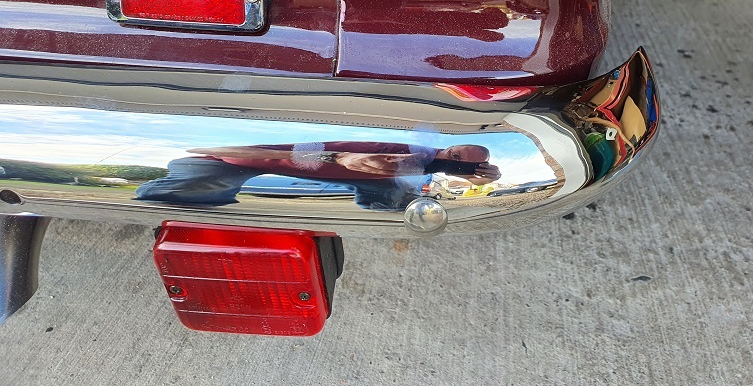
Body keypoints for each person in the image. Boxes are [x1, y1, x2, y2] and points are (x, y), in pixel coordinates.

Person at [135, 141, 501, 210]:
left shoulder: (426, 168)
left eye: (465, 164)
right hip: (229, 161)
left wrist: (481, 180)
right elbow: (356, 155)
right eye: (455, 155)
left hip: (340, 179)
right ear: (448, 147)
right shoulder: (414, 152)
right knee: (182, 193)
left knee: (398, 201)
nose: (453, 162)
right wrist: (347, 158)